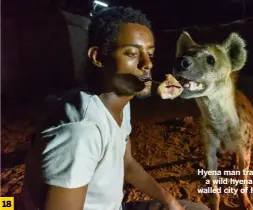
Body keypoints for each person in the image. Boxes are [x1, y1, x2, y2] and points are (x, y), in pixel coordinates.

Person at [18, 6, 209, 210]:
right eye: (132, 53)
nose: (147, 64)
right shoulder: (81, 132)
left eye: (150, 54)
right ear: (98, 57)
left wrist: (169, 201)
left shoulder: (116, 101)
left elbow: (126, 162)